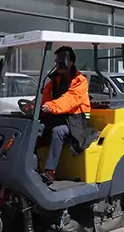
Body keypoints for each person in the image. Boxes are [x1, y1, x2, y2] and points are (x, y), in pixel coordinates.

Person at [38, 45, 91, 182]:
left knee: (58, 132)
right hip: (59, 117)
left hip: (77, 122)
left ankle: (50, 172)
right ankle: (33, 166)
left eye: (60, 61)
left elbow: (71, 99)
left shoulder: (80, 81)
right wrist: (34, 105)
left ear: (71, 62)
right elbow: (44, 98)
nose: (57, 64)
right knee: (34, 130)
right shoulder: (55, 81)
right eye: (56, 61)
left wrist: (50, 106)